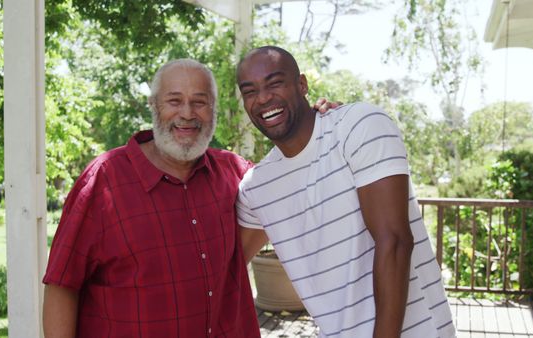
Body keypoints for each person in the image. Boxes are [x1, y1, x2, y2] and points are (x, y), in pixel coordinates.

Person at [42, 58, 337, 338]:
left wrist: (319, 125)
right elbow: (62, 285)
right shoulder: (103, 180)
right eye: (174, 101)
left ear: (214, 110)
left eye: (199, 102)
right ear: (153, 106)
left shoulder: (236, 175)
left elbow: (297, 175)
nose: (187, 113)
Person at [235, 46, 456, 338]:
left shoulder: (358, 127)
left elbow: (395, 242)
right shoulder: (256, 187)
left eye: (275, 83)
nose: (263, 98)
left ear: (302, 85)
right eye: (250, 91)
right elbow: (225, 269)